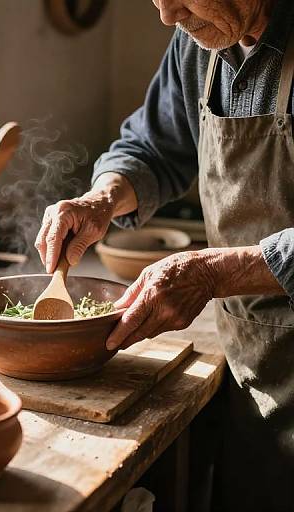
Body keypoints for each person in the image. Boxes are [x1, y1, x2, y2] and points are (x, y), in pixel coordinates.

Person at [35, 0, 294, 510]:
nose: (167, 15)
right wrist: (101, 199)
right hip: (255, 368)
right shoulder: (201, 41)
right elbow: (154, 147)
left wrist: (214, 272)